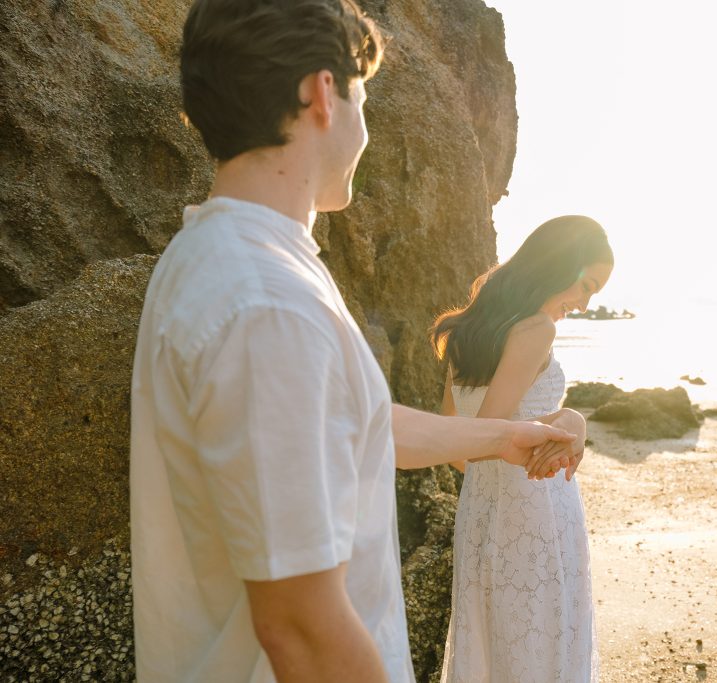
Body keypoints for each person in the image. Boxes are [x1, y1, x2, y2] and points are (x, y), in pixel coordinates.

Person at [129, 2, 583, 682]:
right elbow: (302, 627)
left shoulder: (214, 256)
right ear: (322, 94)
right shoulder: (268, 305)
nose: (364, 124)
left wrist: (499, 437)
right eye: (362, 97)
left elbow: (351, 430)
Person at [432, 216, 614, 682]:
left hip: (481, 507)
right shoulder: (536, 329)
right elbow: (493, 429)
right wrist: (567, 422)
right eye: (586, 284)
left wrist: (567, 420)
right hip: (536, 507)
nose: (585, 301)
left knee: (492, 640)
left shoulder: (465, 330)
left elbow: (457, 449)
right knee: (541, 641)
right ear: (559, 265)